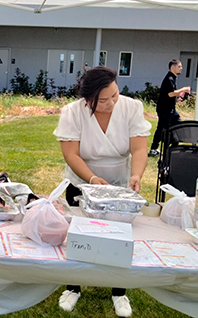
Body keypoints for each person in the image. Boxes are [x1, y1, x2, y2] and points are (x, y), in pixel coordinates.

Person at [53, 66, 151, 317]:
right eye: (103, 100)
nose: (111, 103)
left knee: (119, 237)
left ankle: (119, 292)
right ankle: (73, 287)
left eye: (115, 95)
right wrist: (92, 178)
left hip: (119, 182)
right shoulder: (72, 113)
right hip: (81, 181)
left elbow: (139, 150)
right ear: (87, 99)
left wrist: (136, 175)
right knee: (78, 234)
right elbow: (71, 154)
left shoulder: (131, 107)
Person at [149, 59, 191, 156]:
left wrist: (179, 97)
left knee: (179, 126)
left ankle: (172, 147)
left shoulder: (173, 78)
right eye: (179, 66)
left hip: (171, 109)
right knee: (161, 128)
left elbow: (172, 93)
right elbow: (170, 93)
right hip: (164, 109)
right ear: (173, 67)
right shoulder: (169, 78)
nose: (181, 68)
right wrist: (184, 89)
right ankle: (153, 149)